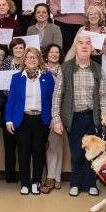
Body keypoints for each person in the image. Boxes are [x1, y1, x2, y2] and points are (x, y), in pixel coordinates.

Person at [51, 34, 106, 197]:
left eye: (88, 43)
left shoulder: (97, 68)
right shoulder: (65, 68)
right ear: (75, 47)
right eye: (81, 43)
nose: (84, 46)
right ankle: (75, 183)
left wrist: (105, 113)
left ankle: (91, 183)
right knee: (76, 152)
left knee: (93, 153)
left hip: (92, 118)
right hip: (73, 118)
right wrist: (56, 120)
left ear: (92, 48)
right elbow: (57, 96)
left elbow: (103, 94)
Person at [4, 47, 55, 195]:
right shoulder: (16, 77)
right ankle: (25, 183)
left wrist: (53, 118)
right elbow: (11, 101)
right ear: (24, 61)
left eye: (34, 57)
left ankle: (36, 182)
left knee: (38, 151)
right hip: (22, 119)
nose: (31, 60)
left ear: (39, 60)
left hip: (41, 119)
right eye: (28, 57)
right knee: (23, 151)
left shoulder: (47, 77)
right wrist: (8, 120)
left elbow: (52, 100)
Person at [0, 38, 26, 183]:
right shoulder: (5, 64)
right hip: (9, 106)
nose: (19, 50)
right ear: (11, 50)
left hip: (24, 108)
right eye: (16, 48)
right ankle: (10, 175)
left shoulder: (29, 63)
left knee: (23, 144)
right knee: (9, 144)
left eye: (21, 48)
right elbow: (2, 85)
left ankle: (23, 174)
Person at [41, 43, 63, 193]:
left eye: (57, 52)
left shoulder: (64, 69)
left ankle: (54, 177)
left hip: (57, 114)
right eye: (51, 52)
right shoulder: (40, 70)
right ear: (46, 54)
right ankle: (40, 178)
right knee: (40, 148)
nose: (54, 54)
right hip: (41, 113)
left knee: (55, 148)